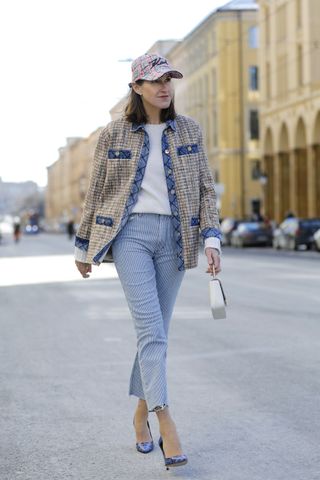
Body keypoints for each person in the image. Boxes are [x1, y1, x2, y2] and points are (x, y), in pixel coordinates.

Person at [74, 53, 222, 470]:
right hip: (131, 236)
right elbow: (97, 191)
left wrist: (212, 238)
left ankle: (139, 415)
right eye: (155, 81)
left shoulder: (190, 129)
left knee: (156, 334)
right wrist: (84, 245)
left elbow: (206, 190)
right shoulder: (113, 134)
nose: (164, 87)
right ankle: (165, 422)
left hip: (177, 238)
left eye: (169, 80)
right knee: (151, 333)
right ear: (136, 87)